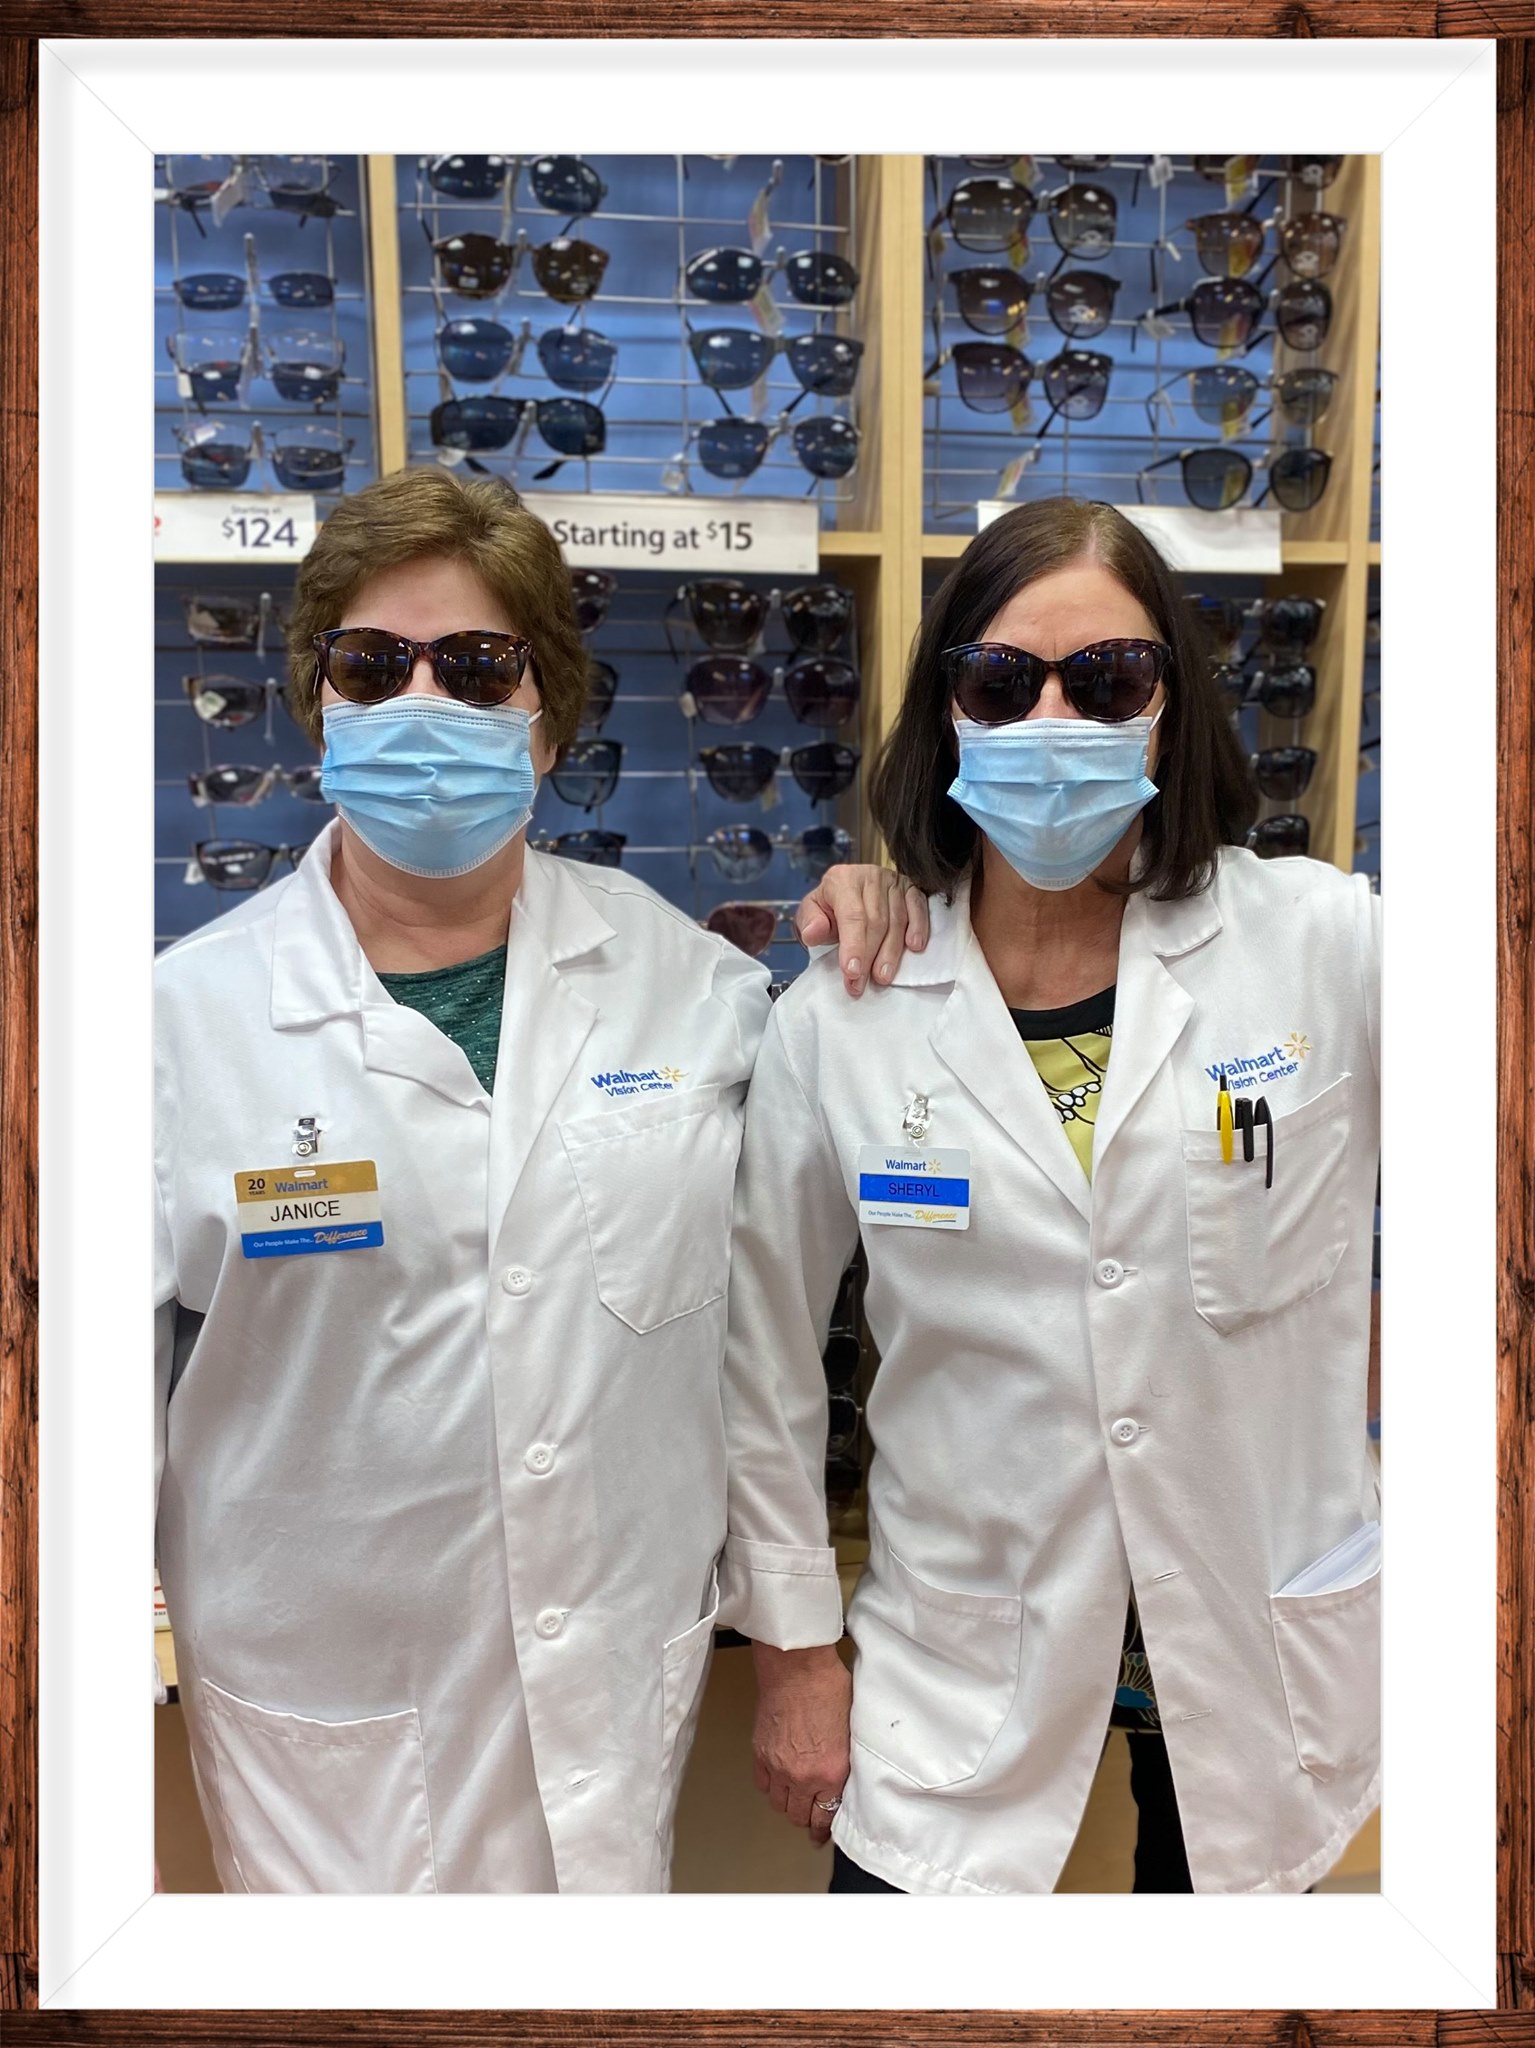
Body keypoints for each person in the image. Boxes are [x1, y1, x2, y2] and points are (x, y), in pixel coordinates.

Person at [152, 466, 920, 1893]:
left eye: (476, 666)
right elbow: (82, 1440)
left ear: (547, 716)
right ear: (319, 706)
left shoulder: (693, 991)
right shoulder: (175, 1028)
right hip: (323, 1729)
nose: (422, 702)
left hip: (611, 1701)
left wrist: (891, 913)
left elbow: (760, 1344)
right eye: (373, 665)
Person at [723, 498, 1382, 1894]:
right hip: (959, 1671)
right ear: (947, 710)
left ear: (1172, 710)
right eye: (1003, 681)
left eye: (1111, 680)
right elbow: (761, 1359)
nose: (1054, 719)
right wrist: (793, 1654)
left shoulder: (1324, 947)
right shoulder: (845, 1015)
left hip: (1257, 1646)